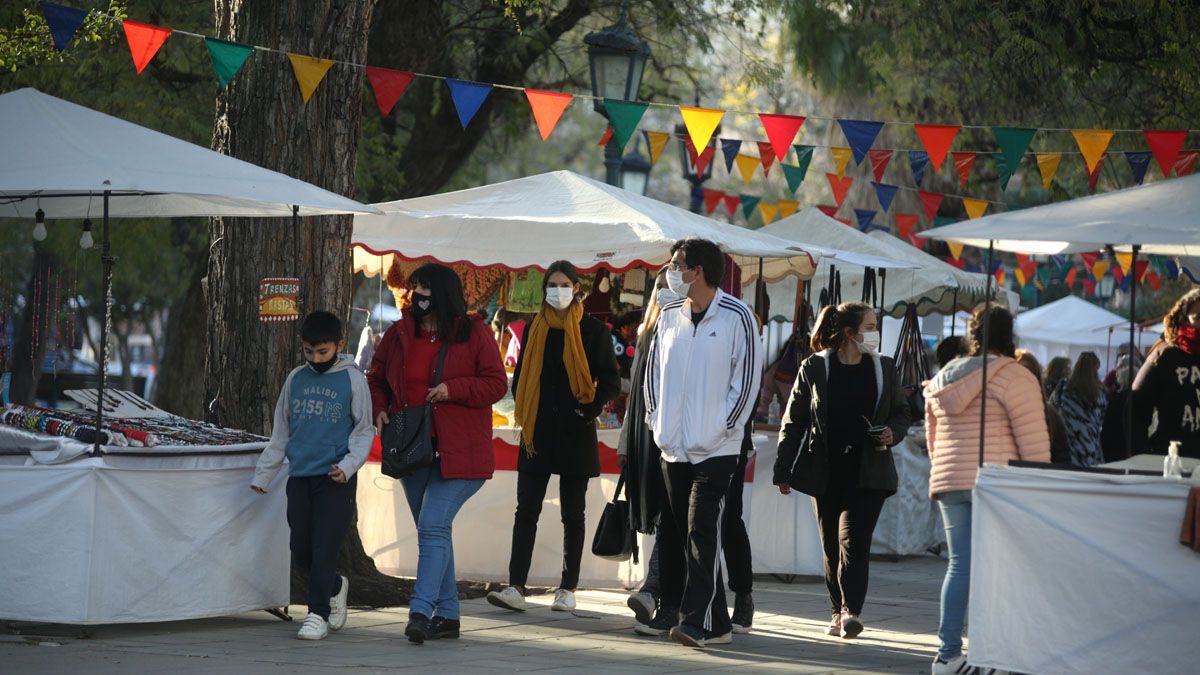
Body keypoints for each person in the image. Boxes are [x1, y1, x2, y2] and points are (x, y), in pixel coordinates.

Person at [367, 263, 508, 644]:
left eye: (425, 290)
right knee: (433, 531)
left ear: (443, 294)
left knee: (432, 526)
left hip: (461, 453)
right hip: (412, 449)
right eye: (415, 289)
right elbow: (376, 377)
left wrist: (454, 388)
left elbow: (496, 384)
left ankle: (420, 610)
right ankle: (448, 615)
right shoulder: (399, 333)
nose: (417, 297)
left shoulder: (474, 332)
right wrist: (380, 407)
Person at [644, 238, 764, 648]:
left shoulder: (737, 316)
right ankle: (718, 624)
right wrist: (655, 421)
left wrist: (721, 429)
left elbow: (747, 383)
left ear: (698, 271)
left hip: (717, 449)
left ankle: (694, 621)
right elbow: (652, 375)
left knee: (701, 531)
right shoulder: (669, 316)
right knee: (684, 535)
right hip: (672, 446)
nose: (670, 272)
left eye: (677, 264)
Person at [488, 261, 621, 613]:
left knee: (572, 515)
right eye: (552, 284)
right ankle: (516, 585)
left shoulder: (593, 331)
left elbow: (609, 381)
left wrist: (586, 411)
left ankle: (568, 587)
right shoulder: (535, 327)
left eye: (564, 284)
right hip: (537, 432)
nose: (557, 291)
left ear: (577, 288)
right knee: (526, 511)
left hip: (575, 432)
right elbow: (521, 377)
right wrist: (525, 405)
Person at [774, 301, 911, 640]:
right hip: (827, 470)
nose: (875, 332)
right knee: (831, 546)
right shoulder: (815, 368)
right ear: (849, 333)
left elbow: (902, 412)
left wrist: (893, 432)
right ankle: (836, 610)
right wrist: (783, 467)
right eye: (870, 326)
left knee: (854, 542)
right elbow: (795, 420)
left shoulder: (884, 368)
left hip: (870, 473)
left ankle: (851, 610)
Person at [924, 305, 1050, 673]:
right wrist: (1038, 486)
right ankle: (987, 654)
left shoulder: (944, 375)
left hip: (950, 481)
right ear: (1009, 333)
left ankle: (947, 656)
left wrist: (945, 471)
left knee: (959, 566)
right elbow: (1034, 442)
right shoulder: (1014, 376)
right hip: (996, 482)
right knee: (996, 570)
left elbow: (933, 440)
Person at [252, 311, 375, 641]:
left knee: (324, 549)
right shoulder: (296, 379)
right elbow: (281, 432)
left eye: (322, 352)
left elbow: (364, 431)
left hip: (335, 480)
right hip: (300, 478)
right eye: (309, 352)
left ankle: (317, 614)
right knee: (301, 549)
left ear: (339, 345)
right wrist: (264, 474)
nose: (316, 359)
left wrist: (348, 466)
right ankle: (335, 585)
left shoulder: (353, 380)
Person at [1133, 288, 1200, 458]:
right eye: (1198, 318)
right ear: (1183, 320)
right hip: (1172, 464)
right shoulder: (1164, 357)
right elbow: (1135, 410)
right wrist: (1143, 456)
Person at [1048, 352, 1107, 467]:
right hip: (1090, 443)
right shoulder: (1101, 392)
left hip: (1069, 440)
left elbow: (1052, 408)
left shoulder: (1064, 386)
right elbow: (1101, 419)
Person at [1015, 350, 1071, 464]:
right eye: (1016, 371)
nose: (1022, 377)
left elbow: (1062, 461)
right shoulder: (998, 412)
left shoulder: (1051, 416)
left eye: (1027, 372)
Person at [1101, 354, 1136, 463]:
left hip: (1115, 447)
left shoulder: (1117, 399)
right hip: (1131, 447)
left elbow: (1107, 425)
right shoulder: (1139, 398)